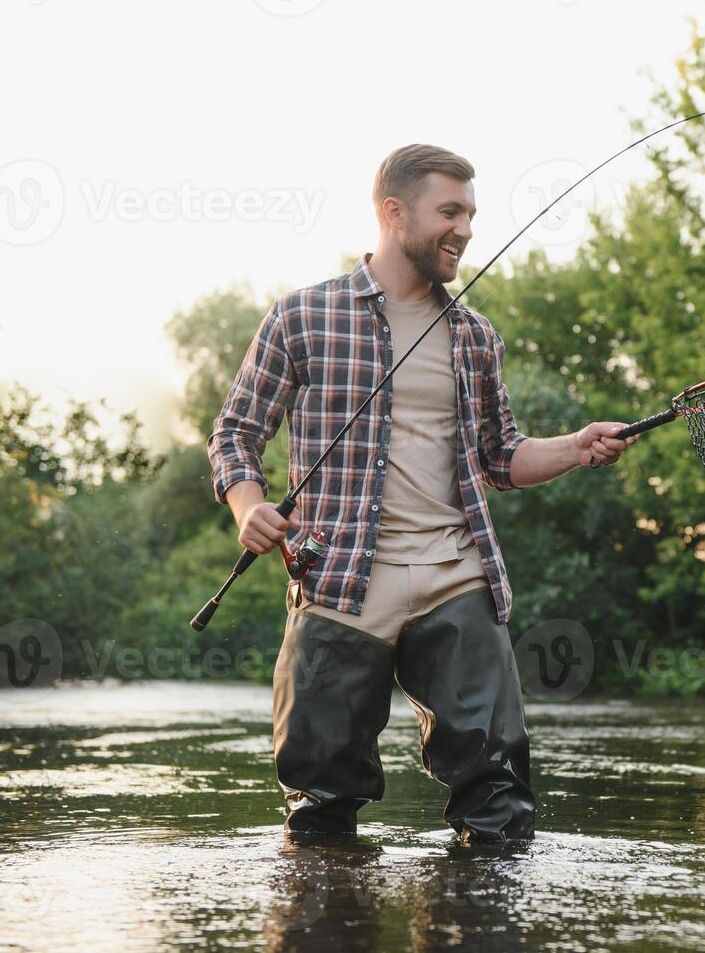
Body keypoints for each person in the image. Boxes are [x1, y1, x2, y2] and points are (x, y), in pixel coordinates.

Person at [207, 144, 636, 841]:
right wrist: (248, 506)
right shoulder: (303, 317)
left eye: (470, 213)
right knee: (319, 806)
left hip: (454, 574)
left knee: (498, 802)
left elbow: (501, 456)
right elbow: (236, 432)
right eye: (450, 211)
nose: (465, 228)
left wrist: (574, 448)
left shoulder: (474, 336)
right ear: (393, 212)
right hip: (339, 580)